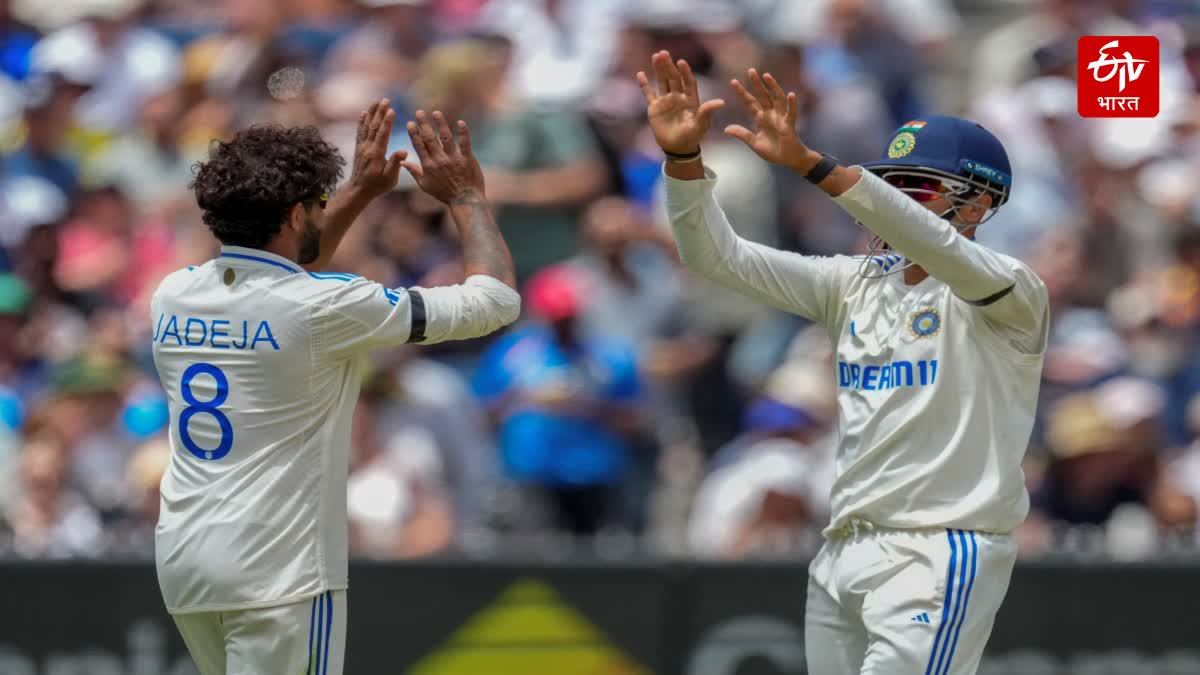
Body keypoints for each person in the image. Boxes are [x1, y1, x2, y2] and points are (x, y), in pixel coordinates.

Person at [638, 51, 1049, 674]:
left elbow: (933, 244)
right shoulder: (852, 283)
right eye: (891, 182)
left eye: (917, 186)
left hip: (939, 550)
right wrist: (683, 162)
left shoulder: (1011, 291)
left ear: (976, 204)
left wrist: (810, 164)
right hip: (843, 549)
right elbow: (714, 258)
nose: (894, 198)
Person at [150, 100, 519, 675]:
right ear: (297, 214)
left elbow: (285, 276)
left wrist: (358, 193)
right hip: (278, 570)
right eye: (318, 205)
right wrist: (467, 196)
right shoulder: (325, 307)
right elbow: (494, 301)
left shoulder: (173, 292)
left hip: (187, 559)